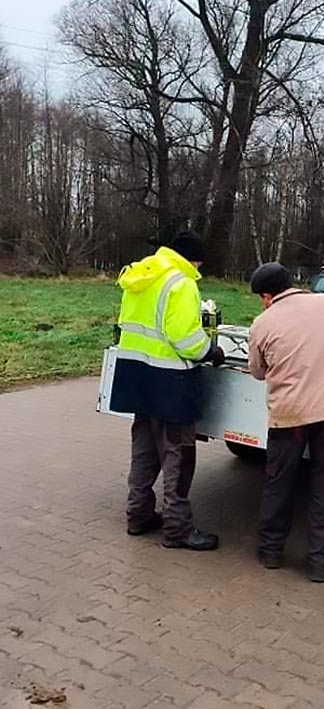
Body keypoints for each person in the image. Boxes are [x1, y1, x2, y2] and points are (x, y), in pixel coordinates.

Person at [110, 232, 224, 550]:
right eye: (198, 264)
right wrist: (210, 352)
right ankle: (177, 530)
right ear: (191, 259)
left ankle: (138, 515)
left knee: (144, 451)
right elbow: (185, 337)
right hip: (171, 382)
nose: (198, 270)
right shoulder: (181, 282)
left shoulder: (141, 275)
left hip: (136, 375)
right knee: (178, 456)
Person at [248, 262, 324, 582]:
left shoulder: (262, 323)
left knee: (278, 484)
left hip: (289, 417)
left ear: (267, 295)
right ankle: (320, 564)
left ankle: (270, 552)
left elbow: (258, 371)